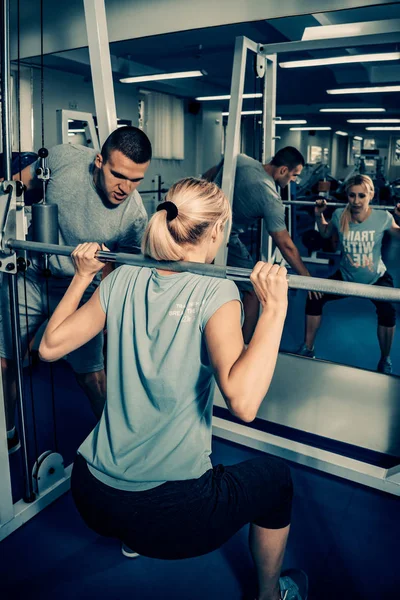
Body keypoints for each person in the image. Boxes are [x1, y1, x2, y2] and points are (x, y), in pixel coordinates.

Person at [39, 178, 308, 600]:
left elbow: (49, 347)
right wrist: (275, 308)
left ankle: (132, 538)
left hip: (91, 494)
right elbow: (244, 402)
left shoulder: (123, 276)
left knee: (135, 510)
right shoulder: (217, 290)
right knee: (276, 481)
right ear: (217, 231)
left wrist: (82, 277)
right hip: (174, 516)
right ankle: (272, 595)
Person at [1, 126, 152, 454]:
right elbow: (21, 182)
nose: (126, 188)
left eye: (136, 180)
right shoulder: (64, 159)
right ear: (99, 161)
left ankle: (116, 446)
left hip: (81, 285)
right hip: (30, 276)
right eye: (118, 175)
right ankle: (8, 432)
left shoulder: (134, 216)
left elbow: (128, 268)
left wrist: (110, 309)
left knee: (90, 375)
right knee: (6, 360)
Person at [206, 147, 317, 344]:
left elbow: (212, 173)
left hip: (198, 225)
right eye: (294, 175)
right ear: (283, 170)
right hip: (223, 239)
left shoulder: (240, 159)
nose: (294, 180)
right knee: (252, 289)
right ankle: (244, 346)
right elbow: (285, 244)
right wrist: (306, 276)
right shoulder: (270, 197)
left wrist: (204, 194)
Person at [297, 174, 400, 374]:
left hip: (376, 278)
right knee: (314, 297)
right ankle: (308, 348)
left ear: (370, 195)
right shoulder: (339, 215)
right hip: (345, 276)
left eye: (361, 196)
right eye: (352, 195)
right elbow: (325, 233)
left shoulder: (382, 218)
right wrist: (319, 215)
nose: (356, 201)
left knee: (388, 311)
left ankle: (385, 358)